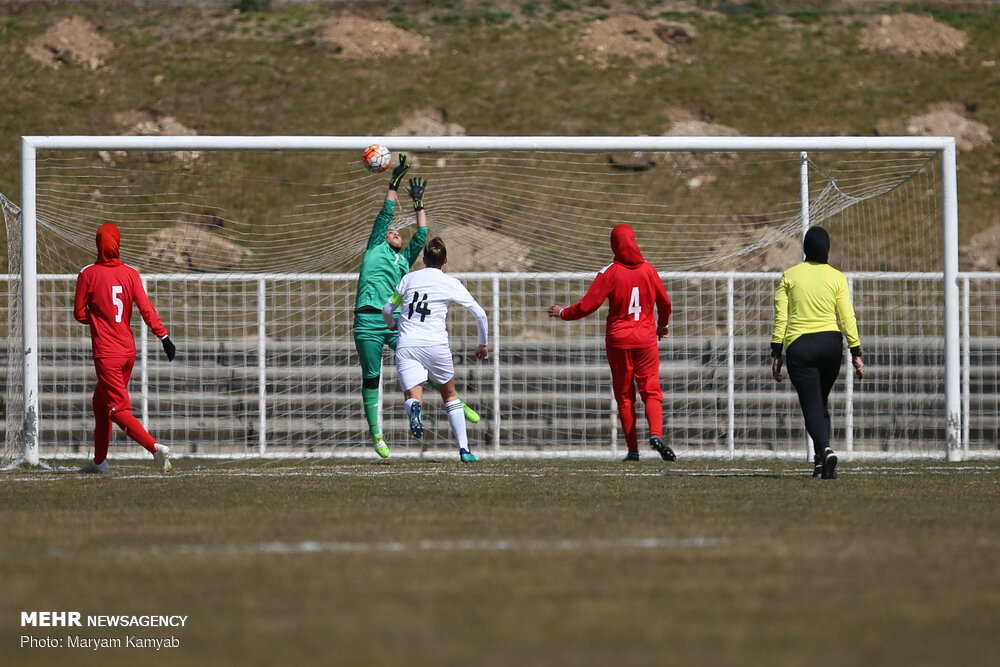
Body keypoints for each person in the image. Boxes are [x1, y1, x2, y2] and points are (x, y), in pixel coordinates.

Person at [353, 156, 478, 459]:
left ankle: (455, 400)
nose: (396, 232)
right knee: (371, 377)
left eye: (398, 232)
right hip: (368, 321)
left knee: (420, 366)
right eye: (391, 231)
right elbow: (385, 214)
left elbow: (422, 236)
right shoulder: (375, 247)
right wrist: (393, 184)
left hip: (397, 323)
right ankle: (376, 434)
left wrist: (419, 205)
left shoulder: (406, 261)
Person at [547, 224, 675, 462]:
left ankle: (633, 450)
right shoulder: (649, 270)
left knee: (625, 395)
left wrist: (563, 312)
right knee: (651, 391)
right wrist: (663, 325)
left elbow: (587, 306)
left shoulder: (610, 272)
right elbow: (665, 303)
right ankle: (656, 434)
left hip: (618, 341)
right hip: (646, 340)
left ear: (614, 244)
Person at [74, 223, 176, 474]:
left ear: (98, 244)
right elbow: (145, 308)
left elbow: (78, 313)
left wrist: (98, 319)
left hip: (106, 353)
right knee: (100, 403)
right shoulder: (131, 273)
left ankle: (155, 449)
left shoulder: (88, 273)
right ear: (118, 243)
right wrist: (163, 337)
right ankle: (99, 462)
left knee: (117, 409)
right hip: (128, 352)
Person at [382, 236, 489, 462]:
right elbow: (480, 313)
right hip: (435, 345)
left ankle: (414, 410)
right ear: (446, 260)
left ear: (423, 259)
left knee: (413, 394)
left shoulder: (409, 279)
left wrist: (391, 323)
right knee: (450, 395)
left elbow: (388, 307)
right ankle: (464, 450)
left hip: (408, 343)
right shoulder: (451, 283)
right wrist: (482, 344)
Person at [771, 226, 865, 480]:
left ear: (805, 248)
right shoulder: (837, 277)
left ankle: (825, 450)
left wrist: (776, 351)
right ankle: (820, 464)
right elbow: (847, 316)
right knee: (821, 403)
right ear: (827, 249)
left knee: (812, 406)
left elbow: (782, 317)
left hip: (801, 346)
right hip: (831, 345)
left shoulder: (789, 276)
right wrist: (855, 350)